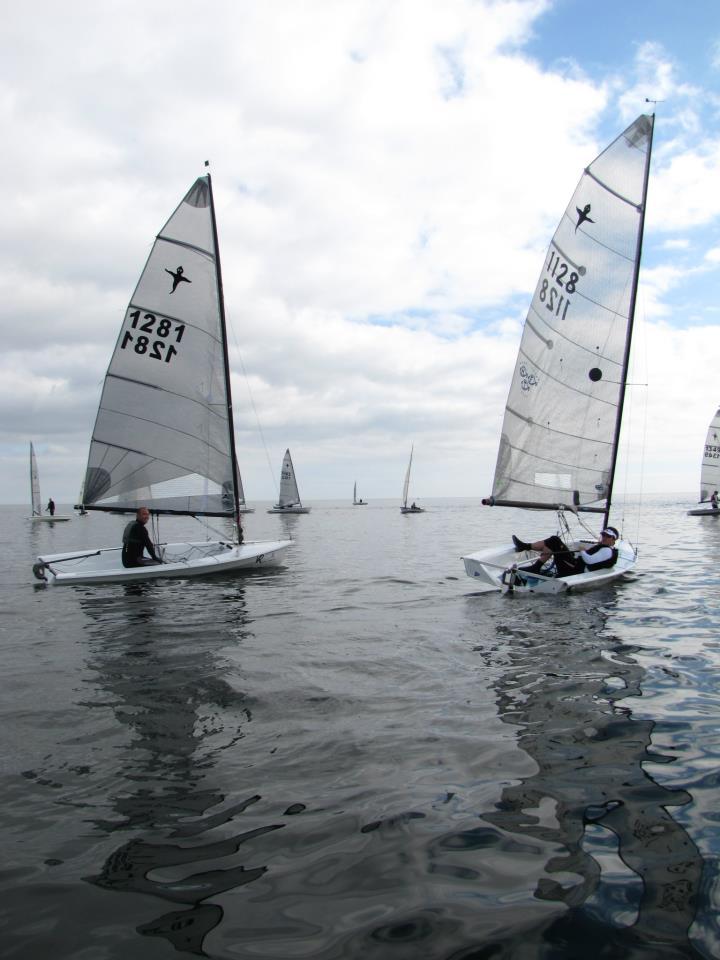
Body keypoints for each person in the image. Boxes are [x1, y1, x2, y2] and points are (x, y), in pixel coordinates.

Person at [512, 526, 619, 577]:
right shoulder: (603, 547)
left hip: (575, 570)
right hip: (575, 566)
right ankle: (534, 565)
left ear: (613, 539)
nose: (604, 537)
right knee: (554, 541)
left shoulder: (607, 551)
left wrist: (582, 551)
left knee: (554, 541)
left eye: (608, 536)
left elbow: (590, 561)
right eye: (603, 535)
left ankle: (527, 552)